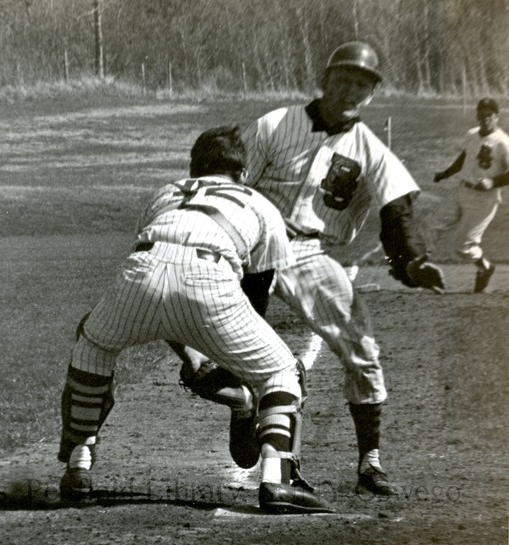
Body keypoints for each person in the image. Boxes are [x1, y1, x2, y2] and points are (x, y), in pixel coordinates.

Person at [180, 42, 445, 497]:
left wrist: (413, 261)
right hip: (252, 244)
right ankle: (243, 400)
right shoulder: (275, 124)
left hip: (309, 254)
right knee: (200, 346)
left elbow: (397, 210)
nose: (352, 89)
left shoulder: (372, 151)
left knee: (361, 347)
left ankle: (369, 461)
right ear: (325, 80)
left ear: (372, 94)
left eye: (363, 83)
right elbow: (232, 180)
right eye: (344, 78)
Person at [57, 125, 334, 514]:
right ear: (242, 173)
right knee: (283, 371)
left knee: (93, 345)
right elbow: (253, 302)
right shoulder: (259, 203)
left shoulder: (166, 193)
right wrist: (232, 366)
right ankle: (278, 477)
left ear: (193, 168)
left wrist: (191, 355)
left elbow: (159, 275)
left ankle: (79, 462)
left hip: (140, 273)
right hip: (211, 275)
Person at [432, 98, 509, 293]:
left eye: (489, 116)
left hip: (484, 200)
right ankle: (417, 267)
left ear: (496, 117)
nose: (484, 119)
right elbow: (464, 157)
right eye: (481, 115)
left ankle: (485, 268)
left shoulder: (503, 142)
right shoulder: (471, 135)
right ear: (477, 115)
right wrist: (445, 173)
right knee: (432, 224)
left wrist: (492, 182)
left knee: (462, 247)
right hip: (461, 190)